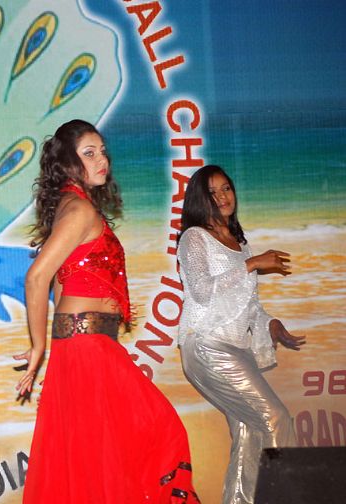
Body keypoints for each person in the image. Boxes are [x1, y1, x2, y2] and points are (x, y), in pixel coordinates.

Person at [16, 120, 199, 503]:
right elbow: (37, 278)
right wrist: (39, 348)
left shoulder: (73, 206)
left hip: (85, 346)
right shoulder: (80, 210)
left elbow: (62, 281)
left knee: (101, 456)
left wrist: (58, 352)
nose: (102, 160)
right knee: (159, 431)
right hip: (87, 347)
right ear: (68, 164)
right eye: (89, 153)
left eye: (102, 151)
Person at [177, 164, 304, 504]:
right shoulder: (194, 238)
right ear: (200, 200)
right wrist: (251, 264)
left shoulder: (240, 244)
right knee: (275, 419)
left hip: (236, 348)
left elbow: (248, 306)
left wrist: (270, 323)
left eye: (226, 189)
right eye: (212, 192)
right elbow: (202, 291)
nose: (222, 197)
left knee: (249, 431)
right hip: (207, 345)